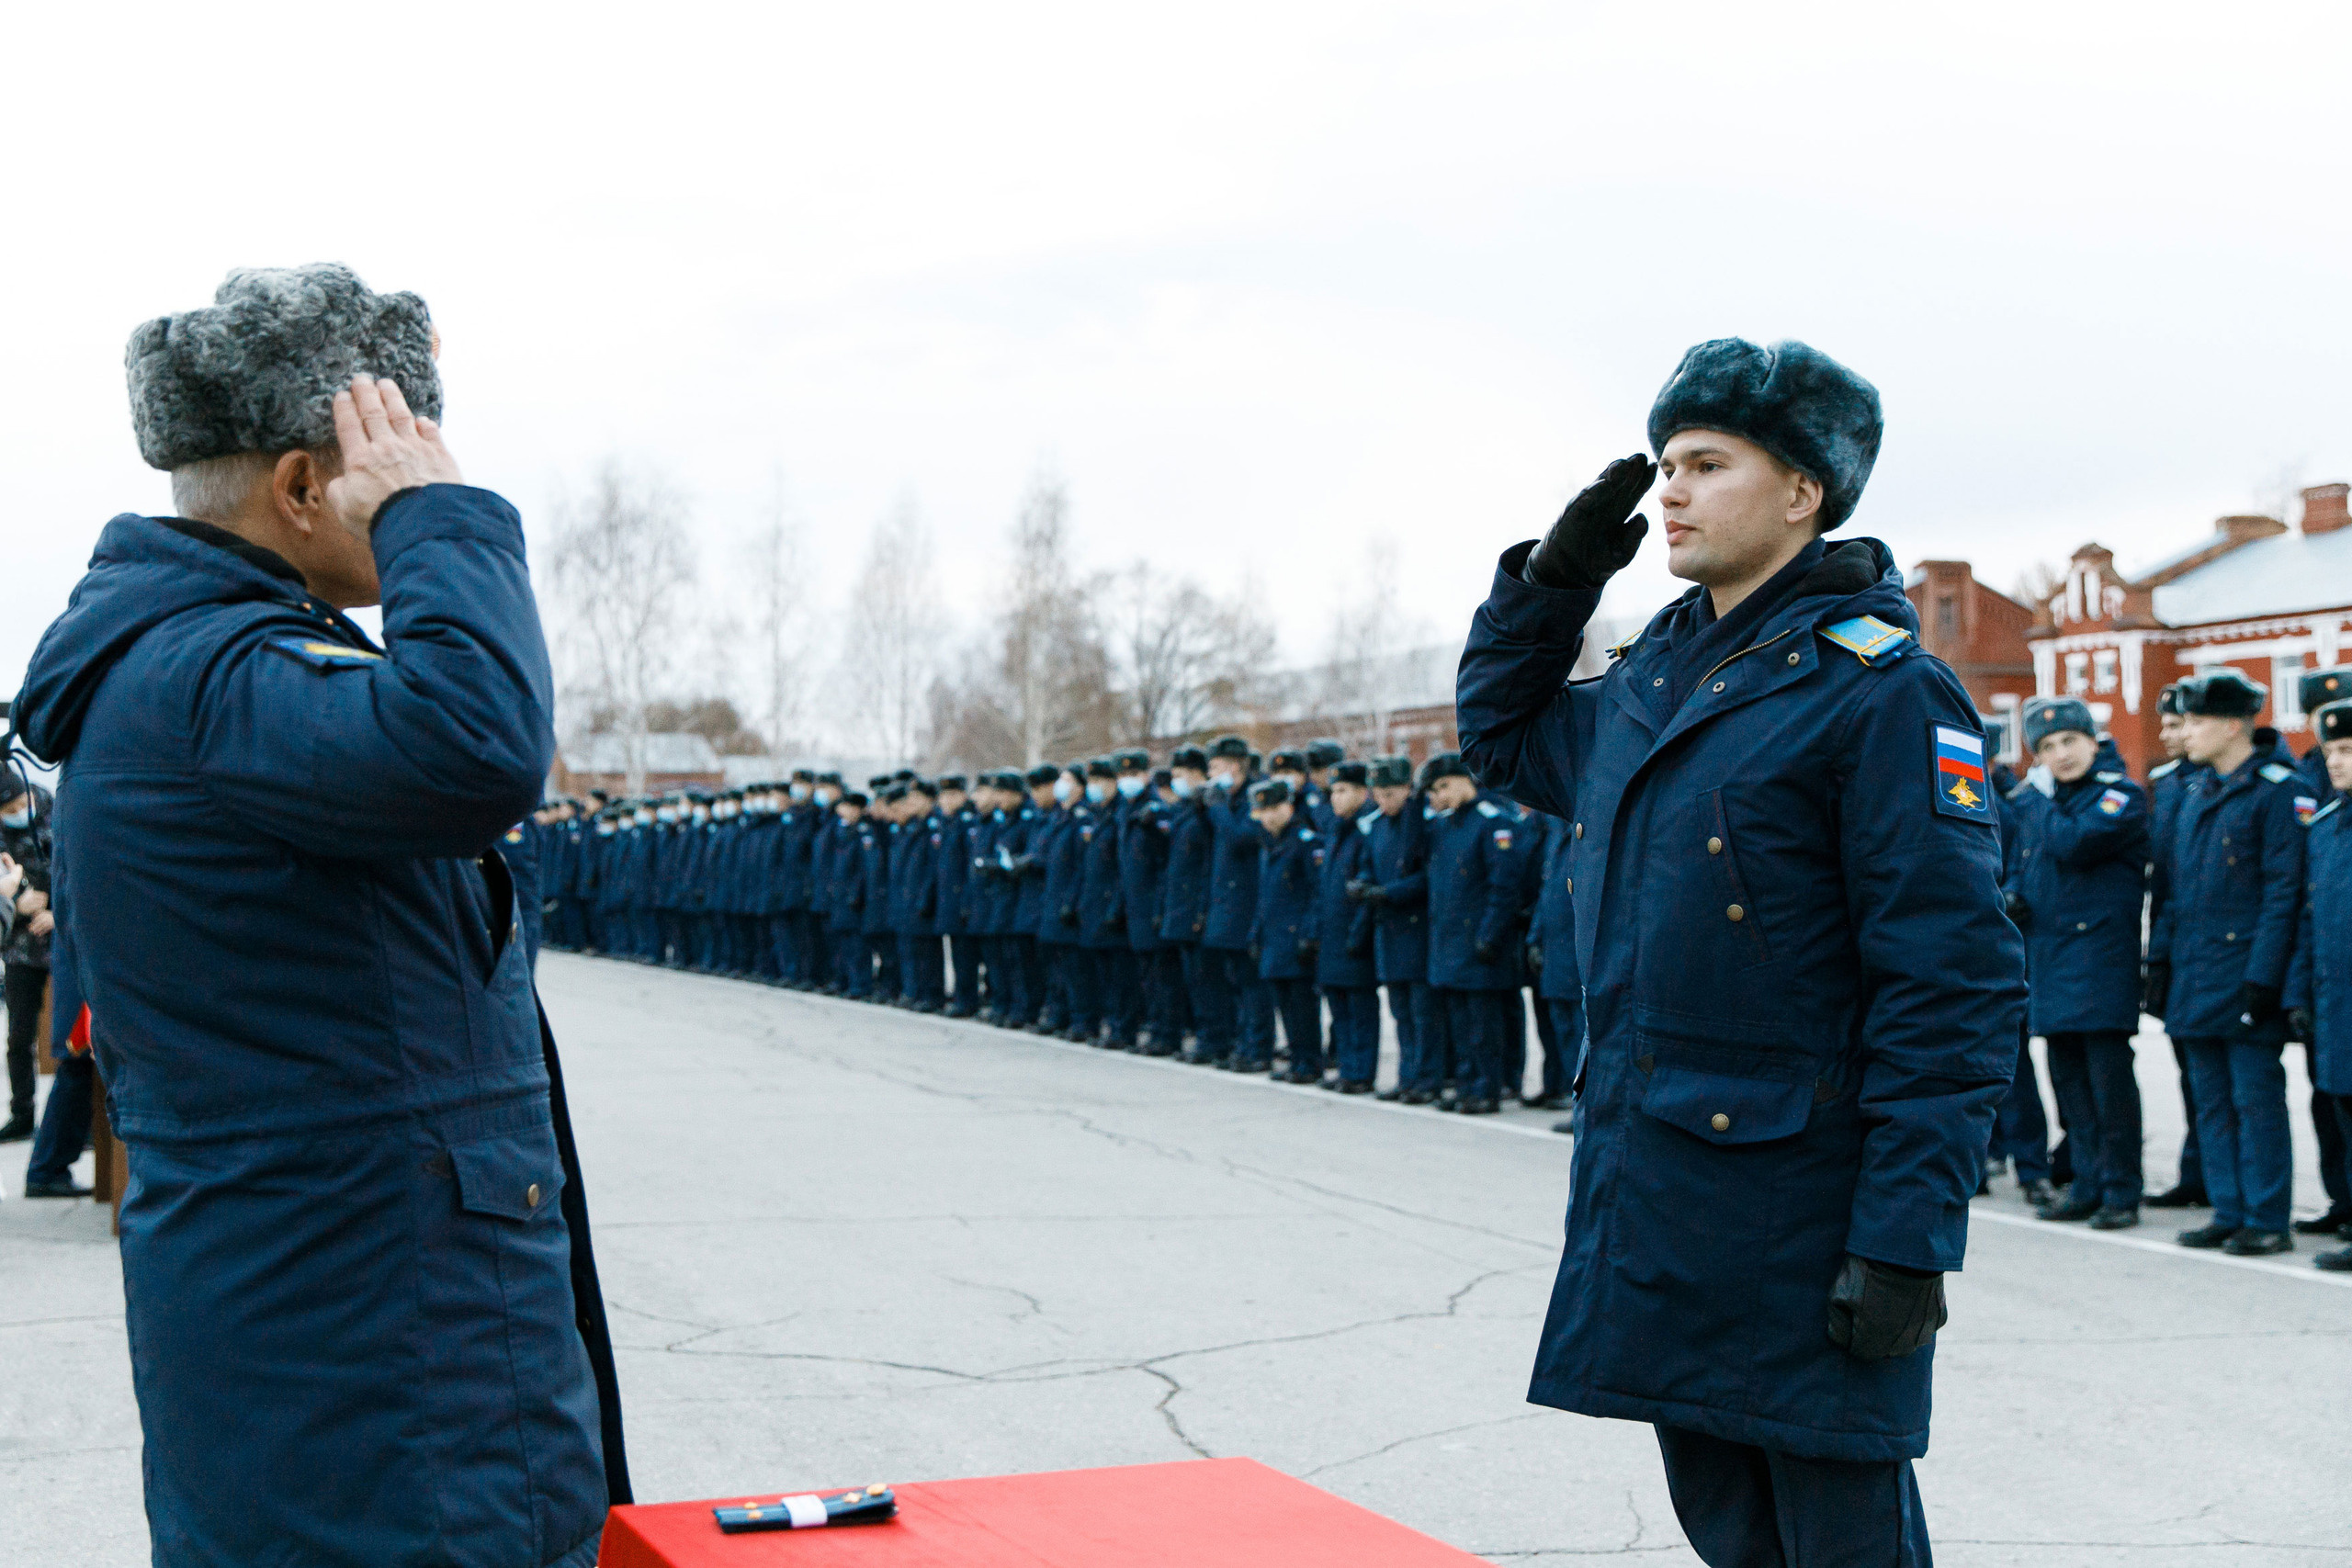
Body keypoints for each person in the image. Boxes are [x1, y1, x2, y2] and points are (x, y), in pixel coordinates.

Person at [11, 265, 626, 1564]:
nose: (422, 471)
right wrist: (440, 520)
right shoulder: (217, 674)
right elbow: (476, 746)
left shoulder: (206, 662)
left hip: (350, 1337)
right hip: (381, 1378)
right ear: (302, 487)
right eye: (393, 452)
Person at [1457, 337, 2021, 1565]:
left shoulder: (1879, 692)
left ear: (1803, 490)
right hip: (1661, 1191)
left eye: (1706, 463)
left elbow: (1954, 983)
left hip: (1804, 1210)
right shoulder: (1659, 674)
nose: (1669, 491)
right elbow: (1499, 736)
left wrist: (1906, 1233)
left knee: (1840, 1539)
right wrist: (1554, 582)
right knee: (1731, 1529)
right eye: (1665, 463)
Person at [2149, 667, 2306, 1256]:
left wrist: (2264, 978)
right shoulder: (2195, 791)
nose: (2185, 733)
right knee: (2210, 1100)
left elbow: (2282, 893)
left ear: (2235, 724)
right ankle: (2228, 1208)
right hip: (2195, 971)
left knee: (2254, 1100)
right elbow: (2173, 890)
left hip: (2244, 975)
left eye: (2196, 721)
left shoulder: (2276, 788)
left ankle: (2267, 1217)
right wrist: (2158, 965)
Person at [2005, 698, 2149, 1229]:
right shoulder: (2048, 802)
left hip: (2099, 964)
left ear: (2093, 740)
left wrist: (2036, 801)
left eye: (2068, 741)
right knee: (2069, 1084)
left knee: (2109, 1089)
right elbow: (2025, 863)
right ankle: (2087, 1183)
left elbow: (2072, 843)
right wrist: (2014, 893)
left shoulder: (2117, 797)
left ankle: (2120, 1191)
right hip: (2050, 960)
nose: (2059, 755)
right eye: (2046, 747)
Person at [1417, 753, 1526, 1115]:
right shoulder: (1445, 827)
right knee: (1460, 1026)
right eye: (1434, 790)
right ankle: (1466, 1085)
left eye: (1444, 786)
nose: (1439, 795)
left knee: (1484, 1027)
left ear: (1466, 781)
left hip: (1481, 945)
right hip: (1450, 944)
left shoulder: (1490, 823)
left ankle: (1486, 1088)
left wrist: (1489, 935)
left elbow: (1503, 887)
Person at [2286, 697, 2352, 1269]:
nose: (2335, 762)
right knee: (2339, 1109)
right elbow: (2310, 918)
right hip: (2334, 998)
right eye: (2331, 751)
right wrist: (2297, 992)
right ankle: (2347, 1208)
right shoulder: (2328, 826)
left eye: (2349, 751)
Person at [2143, 687, 2211, 1209]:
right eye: (2165, 726)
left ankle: (2215, 1176)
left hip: (2217, 947)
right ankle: (2197, 1171)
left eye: (2178, 724)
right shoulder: (2168, 785)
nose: (2170, 736)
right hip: (2177, 939)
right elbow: (2163, 879)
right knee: (2191, 1071)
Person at [1357, 755, 1436, 1102]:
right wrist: (1362, 885)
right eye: (1378, 794)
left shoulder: (1422, 822)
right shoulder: (1376, 826)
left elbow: (1428, 876)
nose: (1383, 801)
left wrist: (1388, 893)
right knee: (1400, 1012)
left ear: (1406, 789)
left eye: (1390, 793)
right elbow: (1367, 865)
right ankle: (1407, 1078)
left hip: (1415, 929)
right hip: (1387, 929)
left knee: (1422, 1013)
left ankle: (1427, 1079)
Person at [1247, 778, 1326, 1083]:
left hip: (1296, 939)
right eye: (1261, 811)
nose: (1266, 817)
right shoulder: (1269, 844)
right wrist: (1256, 933)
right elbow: (1265, 897)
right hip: (1274, 940)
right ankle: (1297, 1059)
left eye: (1272, 809)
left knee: (1303, 1005)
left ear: (1287, 808)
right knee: (1286, 1005)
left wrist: (1309, 934)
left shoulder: (1305, 841)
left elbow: (1316, 893)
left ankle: (1310, 1062)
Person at [1314, 761, 1382, 1093]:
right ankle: (1347, 1069)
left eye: (1342, 791)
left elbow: (1368, 885)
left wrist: (1359, 933)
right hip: (1332, 933)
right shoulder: (1336, 831)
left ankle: (1361, 1073)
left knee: (1360, 1010)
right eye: (1333, 792)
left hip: (1355, 936)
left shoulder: (1366, 829)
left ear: (1360, 791)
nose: (1335, 799)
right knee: (1339, 1008)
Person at [0, 761, 51, 1143]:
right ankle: (22, 1114)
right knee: (19, 1037)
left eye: (19, 804)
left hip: (65, 942)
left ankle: (83, 1124)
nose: (17, 813)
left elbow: (83, 877)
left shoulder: (61, 812)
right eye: (7, 810)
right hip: (20, 949)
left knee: (78, 1039)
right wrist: (16, 904)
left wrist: (54, 912)